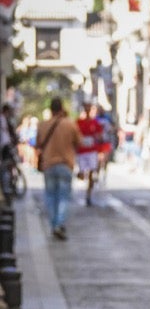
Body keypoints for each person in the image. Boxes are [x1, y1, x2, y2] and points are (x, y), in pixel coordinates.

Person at [37, 98, 83, 241]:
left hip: (49, 164)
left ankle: (54, 224)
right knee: (63, 197)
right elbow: (79, 142)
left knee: (50, 196)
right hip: (65, 164)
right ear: (62, 108)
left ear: (50, 109)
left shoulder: (43, 125)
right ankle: (59, 223)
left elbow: (38, 143)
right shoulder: (70, 124)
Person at [74, 102, 102, 205]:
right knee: (82, 174)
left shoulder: (95, 123)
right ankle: (79, 175)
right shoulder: (78, 122)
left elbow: (99, 136)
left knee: (91, 174)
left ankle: (88, 195)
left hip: (91, 151)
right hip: (82, 151)